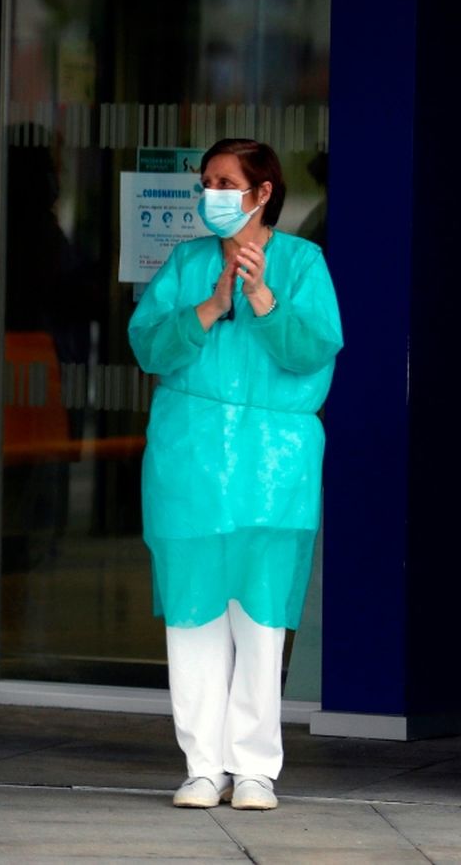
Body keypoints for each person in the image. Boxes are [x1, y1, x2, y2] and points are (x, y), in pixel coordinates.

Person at [127, 138, 343, 812]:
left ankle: (254, 768)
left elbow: (313, 351)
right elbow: (148, 344)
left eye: (225, 182)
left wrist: (262, 296)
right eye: (207, 181)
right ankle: (202, 764)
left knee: (260, 618)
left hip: (272, 469)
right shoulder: (188, 262)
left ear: (262, 192)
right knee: (191, 617)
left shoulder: (305, 263)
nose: (210, 194)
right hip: (189, 465)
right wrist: (214, 303)